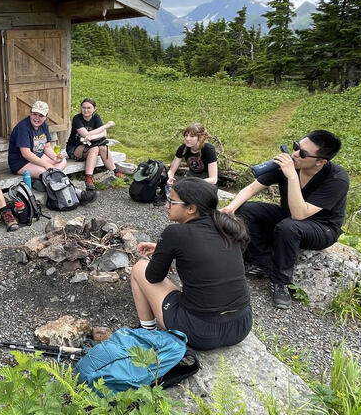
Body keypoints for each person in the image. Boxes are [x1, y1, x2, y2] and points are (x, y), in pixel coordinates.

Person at [221, 130, 348, 309]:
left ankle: (280, 281)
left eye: (303, 153)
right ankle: (261, 262)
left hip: (322, 227)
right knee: (246, 209)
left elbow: (300, 214)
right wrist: (232, 207)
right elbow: (251, 188)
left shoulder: (336, 179)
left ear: (320, 162)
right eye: (296, 146)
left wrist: (291, 175)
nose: (295, 154)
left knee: (289, 227)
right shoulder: (292, 164)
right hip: (289, 215)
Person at [129, 177, 252, 351]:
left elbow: (153, 277)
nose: (166, 205)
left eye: (171, 201)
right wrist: (164, 249)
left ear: (191, 208)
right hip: (241, 326)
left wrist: (164, 252)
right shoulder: (227, 228)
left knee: (139, 268)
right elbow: (208, 254)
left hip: (200, 332)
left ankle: (147, 333)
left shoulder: (175, 233)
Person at [66, 98, 126, 190]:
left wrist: (92, 137)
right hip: (74, 148)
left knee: (103, 147)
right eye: (83, 107)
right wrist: (106, 126)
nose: (86, 110)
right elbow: (86, 134)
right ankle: (89, 177)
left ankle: (115, 171)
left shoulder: (96, 117)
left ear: (94, 109)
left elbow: (104, 134)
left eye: (89, 108)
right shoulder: (77, 118)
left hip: (91, 145)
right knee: (95, 148)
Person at [8, 100, 67, 178]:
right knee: (46, 172)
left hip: (38, 156)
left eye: (41, 116)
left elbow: (47, 147)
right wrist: (47, 165)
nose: (37, 118)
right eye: (34, 114)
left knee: (63, 161)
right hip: (21, 162)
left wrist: (55, 157)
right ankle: (53, 178)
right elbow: (26, 154)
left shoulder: (44, 126)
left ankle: (54, 177)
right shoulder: (23, 128)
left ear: (46, 117)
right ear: (30, 113)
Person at [166, 122, 218, 187]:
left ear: (200, 137)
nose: (187, 139)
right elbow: (171, 171)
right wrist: (169, 178)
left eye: (192, 136)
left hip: (206, 184)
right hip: (191, 178)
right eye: (186, 135)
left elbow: (213, 179)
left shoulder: (208, 149)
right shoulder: (183, 148)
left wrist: (192, 183)